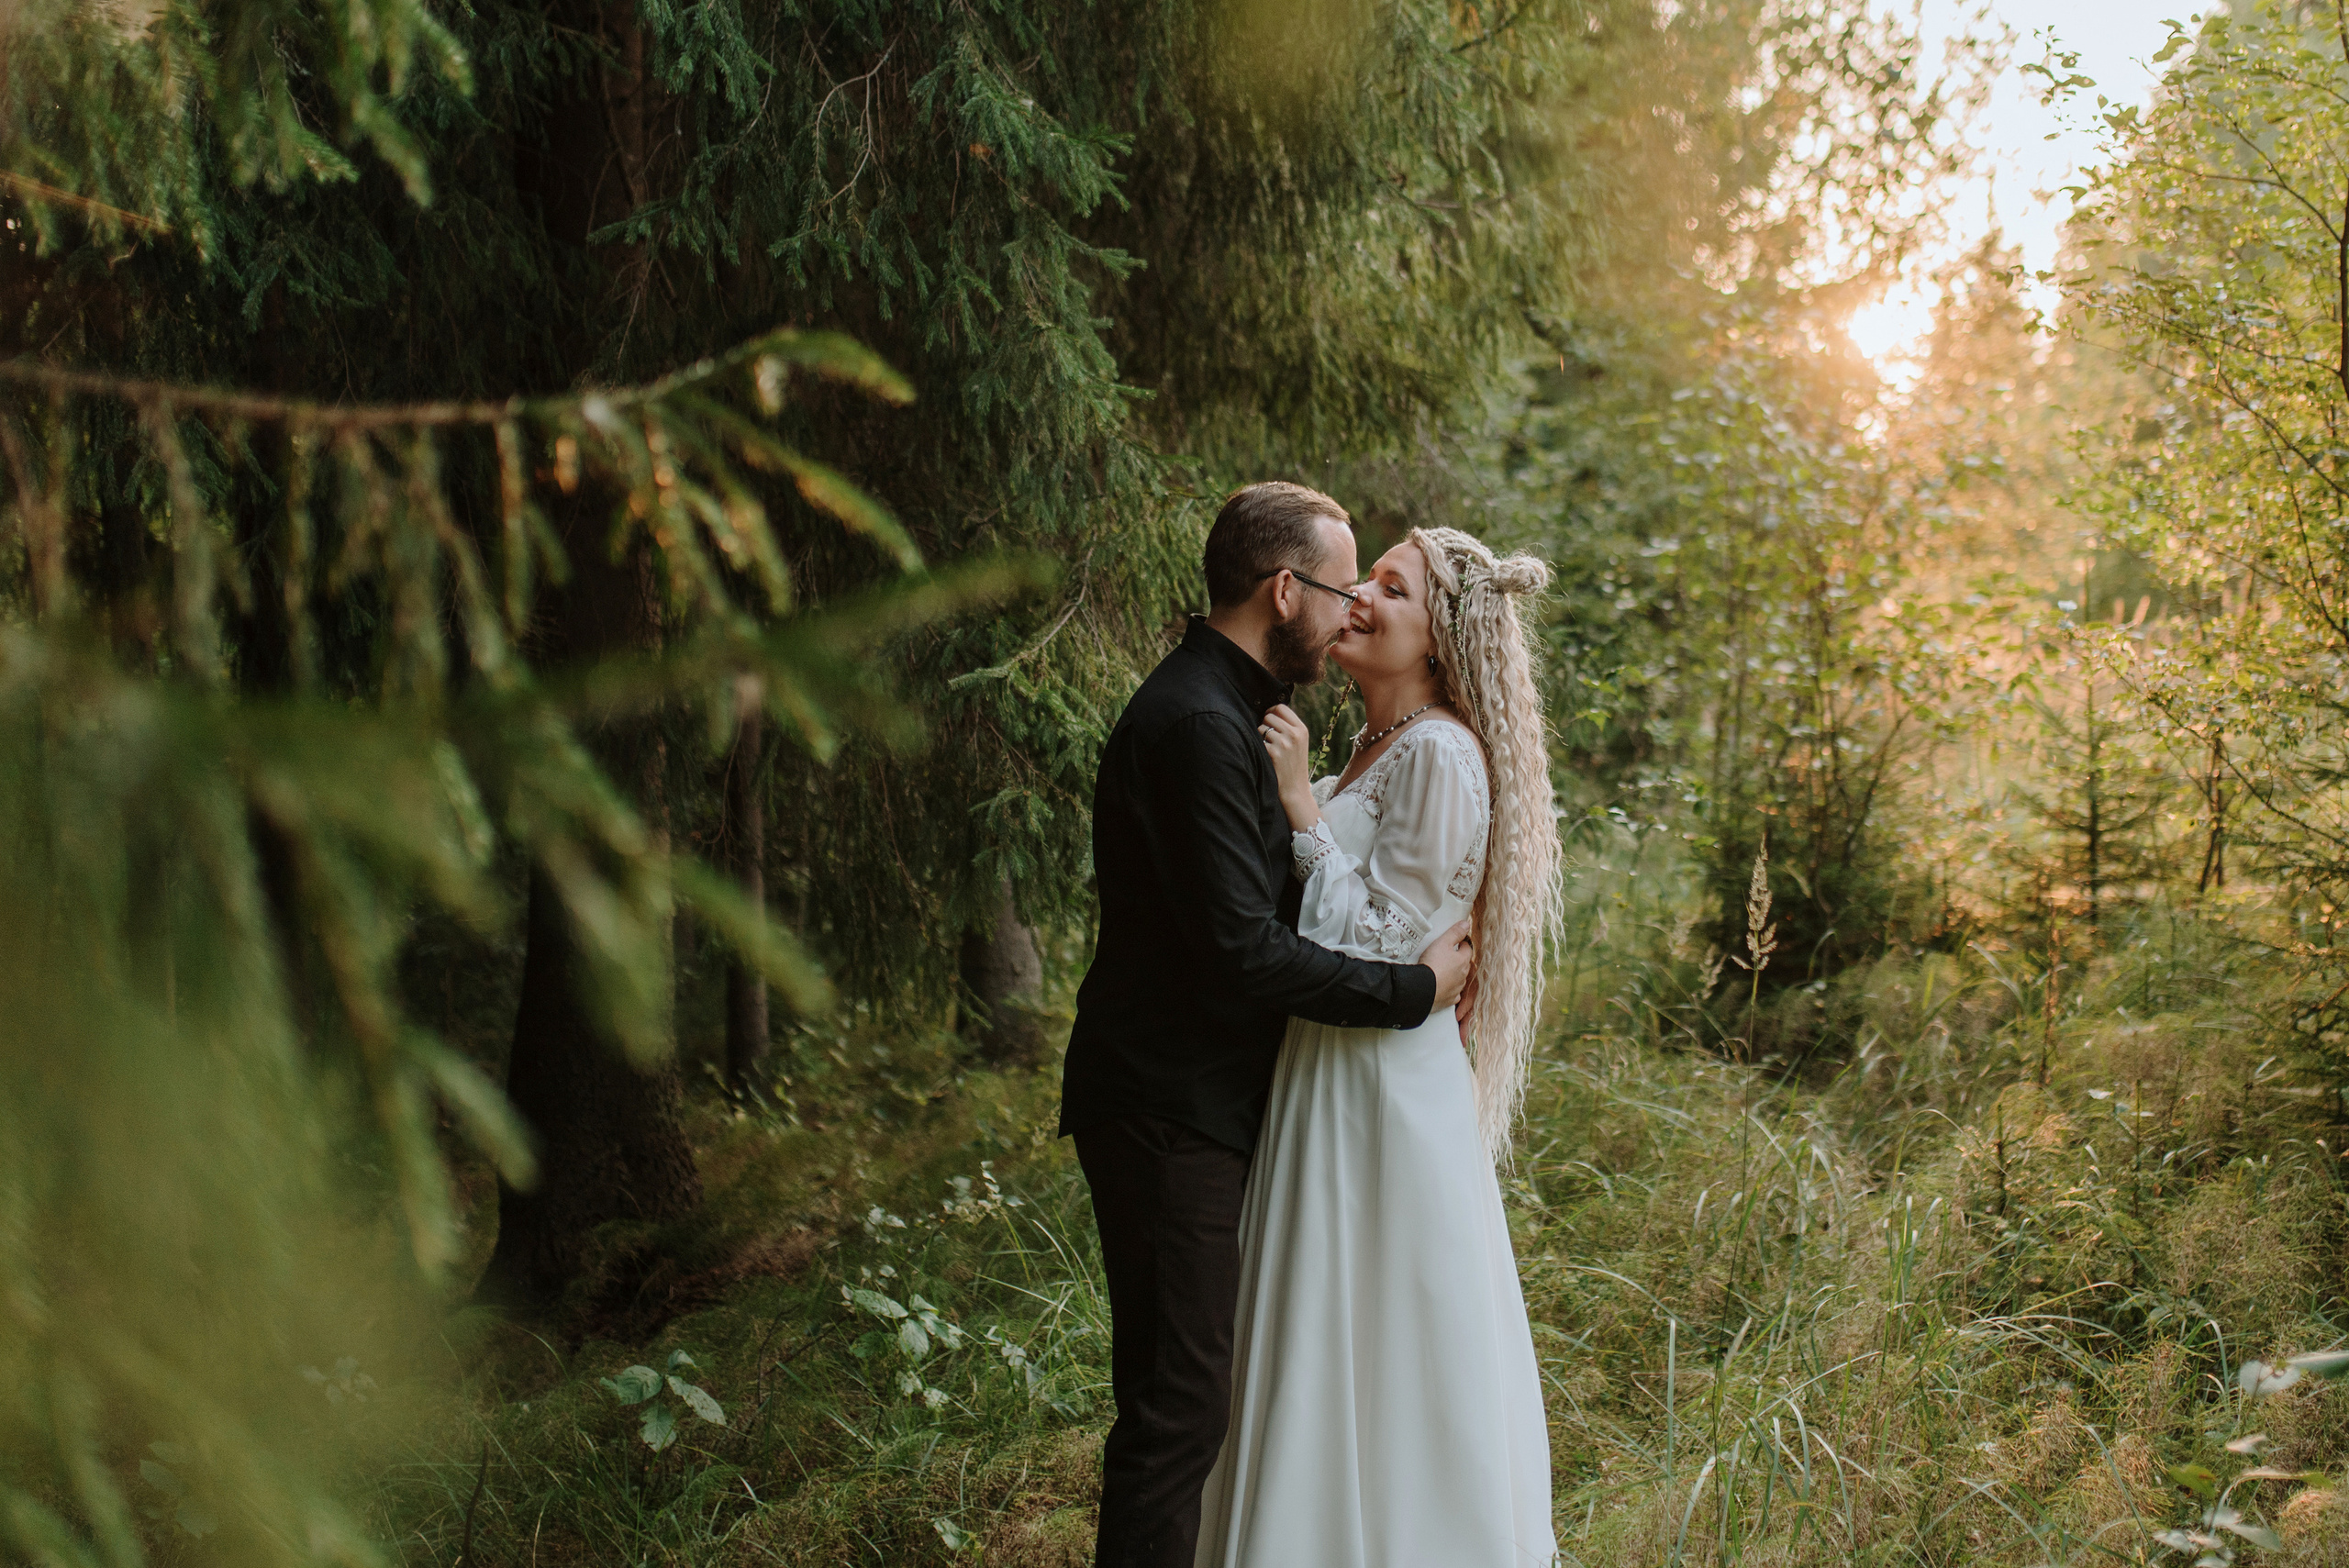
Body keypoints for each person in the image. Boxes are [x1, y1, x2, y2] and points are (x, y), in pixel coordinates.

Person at [1059, 482, 1477, 1568]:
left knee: (1191, 1393)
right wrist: (1410, 994)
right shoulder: (1199, 718)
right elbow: (1242, 947)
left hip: (1204, 1099)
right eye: (1343, 587)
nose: (1350, 610)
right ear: (1282, 588)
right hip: (1166, 1102)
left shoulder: (1238, 710)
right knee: (1179, 1407)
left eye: (1378, 592)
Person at [1194, 524, 1564, 1568]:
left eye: (1390, 589)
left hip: (1380, 1091)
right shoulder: (1373, 743)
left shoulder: (1443, 751)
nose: (1356, 595)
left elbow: (1388, 953)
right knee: (1320, 1333)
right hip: (1327, 1074)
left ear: (1436, 642)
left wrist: (1303, 810)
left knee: (1382, 1337)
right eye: (1366, 577)